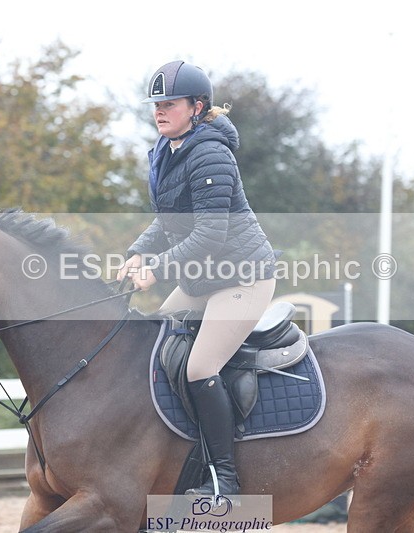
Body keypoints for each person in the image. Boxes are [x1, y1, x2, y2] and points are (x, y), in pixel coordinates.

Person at [117, 60, 277, 496]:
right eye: (156, 104)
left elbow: (209, 234)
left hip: (241, 278)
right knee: (155, 350)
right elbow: (168, 219)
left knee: (199, 367)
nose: (159, 110)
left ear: (197, 107)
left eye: (170, 103)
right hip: (201, 281)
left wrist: (157, 268)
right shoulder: (166, 150)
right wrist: (138, 251)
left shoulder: (210, 154)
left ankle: (224, 477)